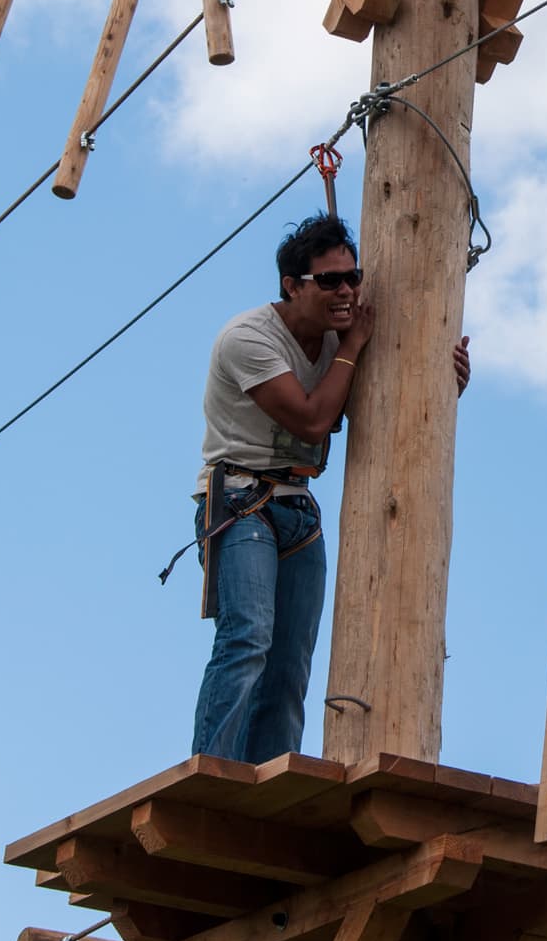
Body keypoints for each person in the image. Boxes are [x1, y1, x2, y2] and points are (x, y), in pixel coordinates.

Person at [189, 212, 470, 763]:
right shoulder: (249, 339)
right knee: (247, 640)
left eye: (352, 277)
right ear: (292, 287)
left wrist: (443, 380)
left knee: (290, 664)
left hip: (297, 509)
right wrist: (353, 344)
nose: (346, 291)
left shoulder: (341, 342)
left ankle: (269, 778)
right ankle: (213, 772)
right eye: (329, 281)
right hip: (240, 502)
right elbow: (314, 421)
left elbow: (391, 409)